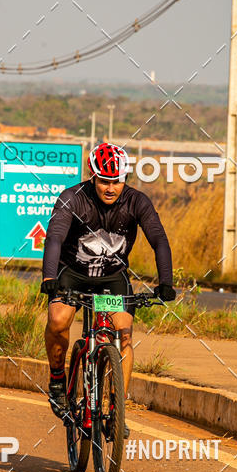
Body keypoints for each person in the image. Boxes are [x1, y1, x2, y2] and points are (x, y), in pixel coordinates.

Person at [40, 142, 175, 423]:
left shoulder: (138, 202)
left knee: (124, 334)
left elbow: (159, 239)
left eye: (116, 181)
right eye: (104, 181)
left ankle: (117, 411)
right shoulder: (72, 198)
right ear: (93, 176)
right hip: (73, 273)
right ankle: (57, 380)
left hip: (112, 278)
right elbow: (54, 238)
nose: (110, 188)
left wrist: (166, 282)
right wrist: (50, 278)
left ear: (124, 179)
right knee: (58, 320)